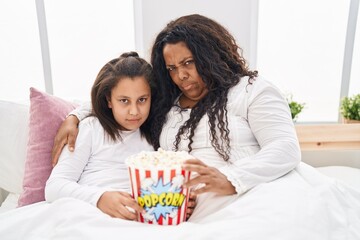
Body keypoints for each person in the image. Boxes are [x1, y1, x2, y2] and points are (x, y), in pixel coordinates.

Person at [52, 14, 301, 218]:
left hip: (248, 198)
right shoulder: (167, 103)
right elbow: (125, 91)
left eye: (188, 62)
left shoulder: (251, 90)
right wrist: (76, 115)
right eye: (172, 68)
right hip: (182, 216)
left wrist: (232, 178)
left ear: (210, 56)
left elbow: (285, 147)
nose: (180, 75)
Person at [45, 52, 155, 220]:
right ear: (109, 100)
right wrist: (100, 198)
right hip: (90, 212)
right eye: (124, 101)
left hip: (139, 217)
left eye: (142, 100)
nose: (134, 111)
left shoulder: (157, 132)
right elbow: (54, 187)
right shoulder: (90, 129)